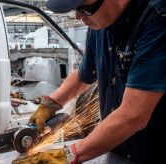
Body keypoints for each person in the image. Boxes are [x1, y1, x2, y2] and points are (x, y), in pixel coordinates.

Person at [13, 0, 166, 163]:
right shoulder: (100, 26)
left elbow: (135, 114)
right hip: (118, 149)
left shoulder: (157, 18)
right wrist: (50, 104)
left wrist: (70, 154)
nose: (78, 16)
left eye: (84, 9)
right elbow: (84, 74)